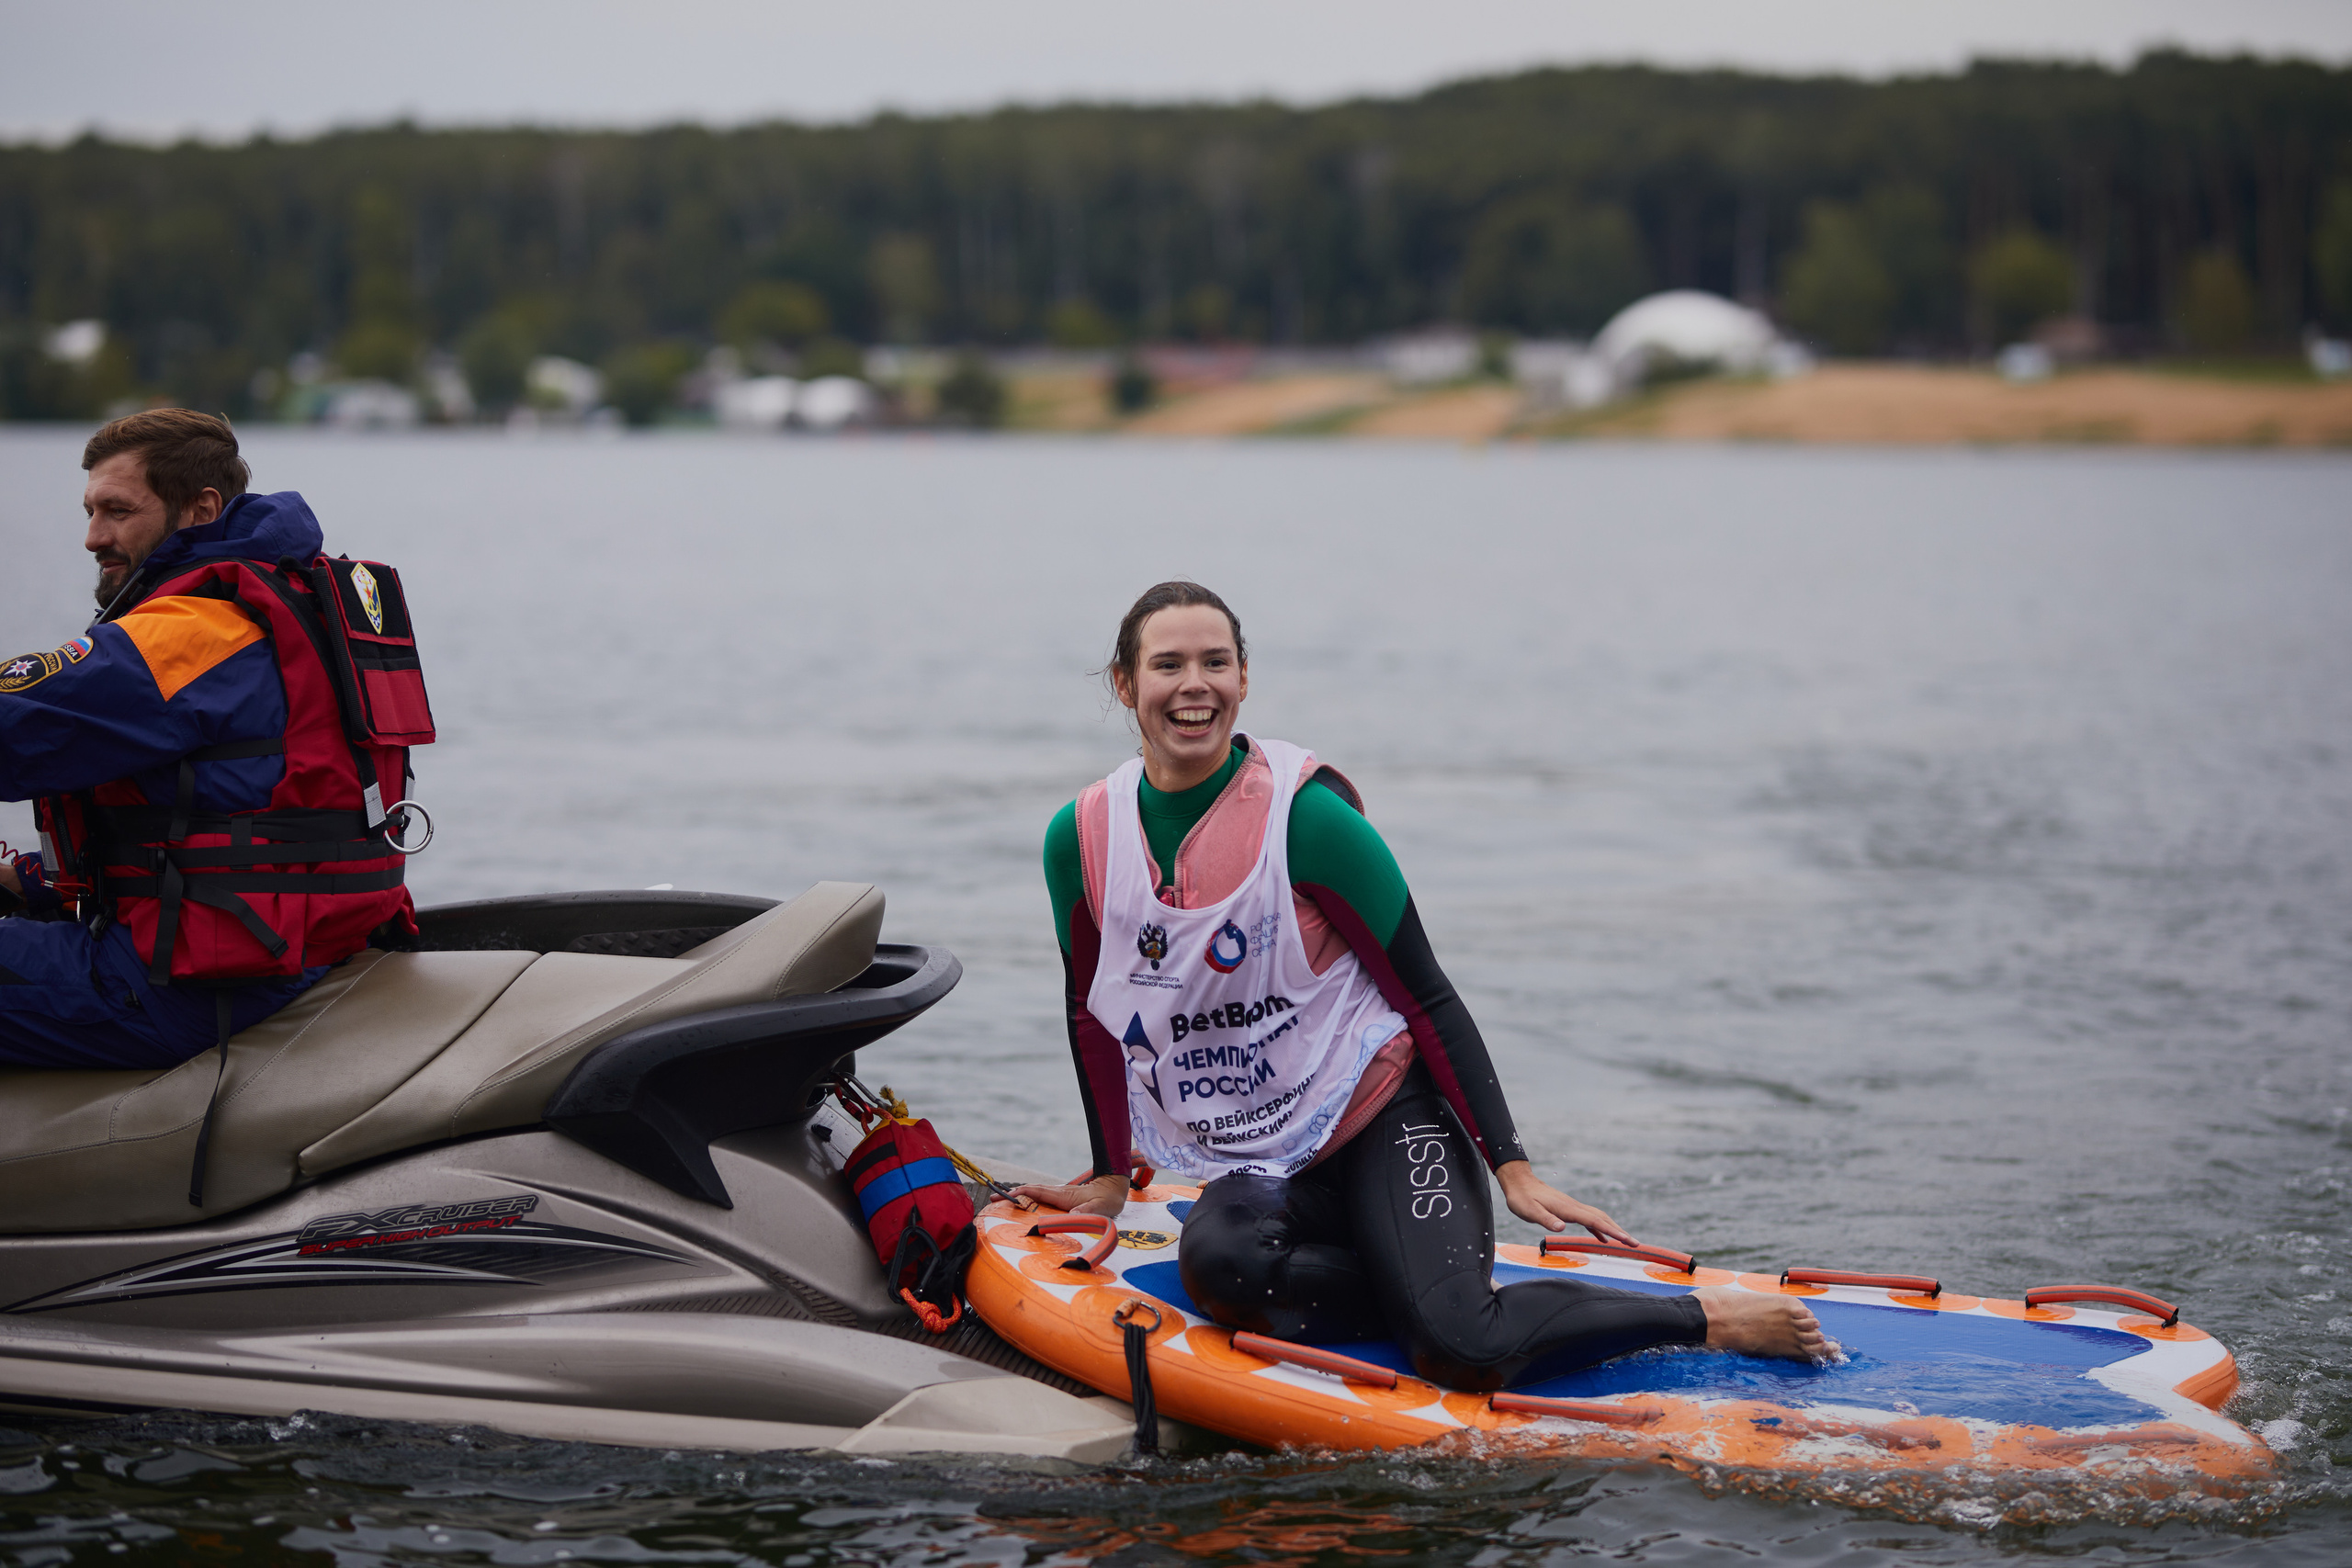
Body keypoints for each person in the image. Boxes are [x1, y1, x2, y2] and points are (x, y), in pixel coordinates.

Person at [1014, 580, 1829, 1391]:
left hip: (1385, 1123)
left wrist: (1512, 1168)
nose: (1195, 684)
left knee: (1460, 1350)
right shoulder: (1081, 838)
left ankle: (1706, 1316)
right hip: (1270, 1161)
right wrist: (1110, 1174)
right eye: (1169, 664)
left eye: (1215, 662)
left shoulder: (1308, 819)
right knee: (1224, 1268)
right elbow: (1091, 1011)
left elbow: (1427, 996)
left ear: (1244, 678)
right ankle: (1428, 1289)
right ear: (1126, 684)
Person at [0, 410, 415, 1076]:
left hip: (181, 986)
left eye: (116, 511)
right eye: (89, 511)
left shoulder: (192, 635)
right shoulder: (292, 596)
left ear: (200, 509)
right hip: (294, 944)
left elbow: (16, 726)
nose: (91, 537)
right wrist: (31, 878)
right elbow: (241, 816)